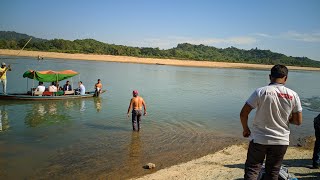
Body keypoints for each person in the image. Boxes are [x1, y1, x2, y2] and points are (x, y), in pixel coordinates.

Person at [240, 64, 302, 180]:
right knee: (273, 172)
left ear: (270, 77)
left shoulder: (261, 91)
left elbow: (243, 113)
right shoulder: (293, 95)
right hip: (281, 140)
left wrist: (246, 129)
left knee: (252, 169)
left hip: (259, 139)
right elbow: (298, 121)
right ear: (286, 78)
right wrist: (286, 118)